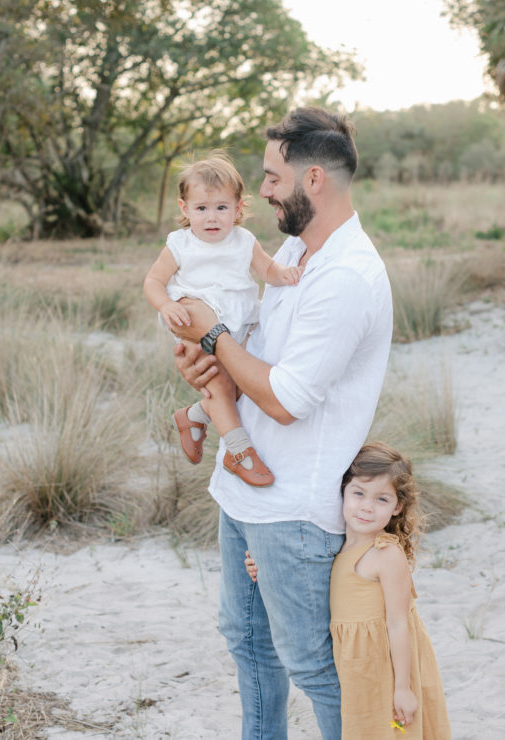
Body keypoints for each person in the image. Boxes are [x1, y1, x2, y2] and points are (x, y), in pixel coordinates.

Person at [172, 108, 393, 739]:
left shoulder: (347, 276)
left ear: (313, 178)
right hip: (243, 489)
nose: (260, 191)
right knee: (248, 647)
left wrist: (212, 337)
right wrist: (210, 368)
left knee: (312, 665)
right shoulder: (295, 249)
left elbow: (286, 399)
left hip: (296, 508)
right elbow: (258, 359)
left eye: (271, 177)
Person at [246, 442, 451, 739]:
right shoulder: (334, 543)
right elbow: (305, 584)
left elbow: (399, 622)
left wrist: (403, 688)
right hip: (355, 666)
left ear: (397, 507)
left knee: (392, 731)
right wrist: (264, 569)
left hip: (385, 667)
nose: (366, 507)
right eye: (358, 493)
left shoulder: (385, 554)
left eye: (382, 499)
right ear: (342, 492)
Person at [142, 153, 302, 487]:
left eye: (221, 208)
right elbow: (153, 281)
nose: (211, 217)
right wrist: (166, 305)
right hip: (193, 320)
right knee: (218, 382)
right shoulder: (180, 244)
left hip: (239, 323)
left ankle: (194, 416)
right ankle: (238, 450)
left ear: (239, 208)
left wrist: (284, 273)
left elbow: (267, 269)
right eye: (201, 208)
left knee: (242, 383)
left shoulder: (244, 241)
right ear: (185, 209)